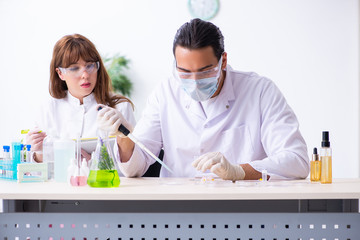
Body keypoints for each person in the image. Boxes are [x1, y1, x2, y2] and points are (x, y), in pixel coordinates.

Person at [97, 19, 309, 180]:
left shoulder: (260, 91)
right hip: (179, 213)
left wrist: (239, 171)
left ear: (223, 61)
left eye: (205, 71)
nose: (195, 81)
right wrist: (124, 138)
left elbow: (297, 161)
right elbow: (135, 168)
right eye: (185, 72)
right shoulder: (165, 92)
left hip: (244, 210)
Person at [27, 34, 136, 163]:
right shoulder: (48, 109)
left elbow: (134, 169)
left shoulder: (120, 107)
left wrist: (94, 164)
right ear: (60, 73)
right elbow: (38, 173)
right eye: (74, 68)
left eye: (89, 66)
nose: (85, 75)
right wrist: (38, 153)